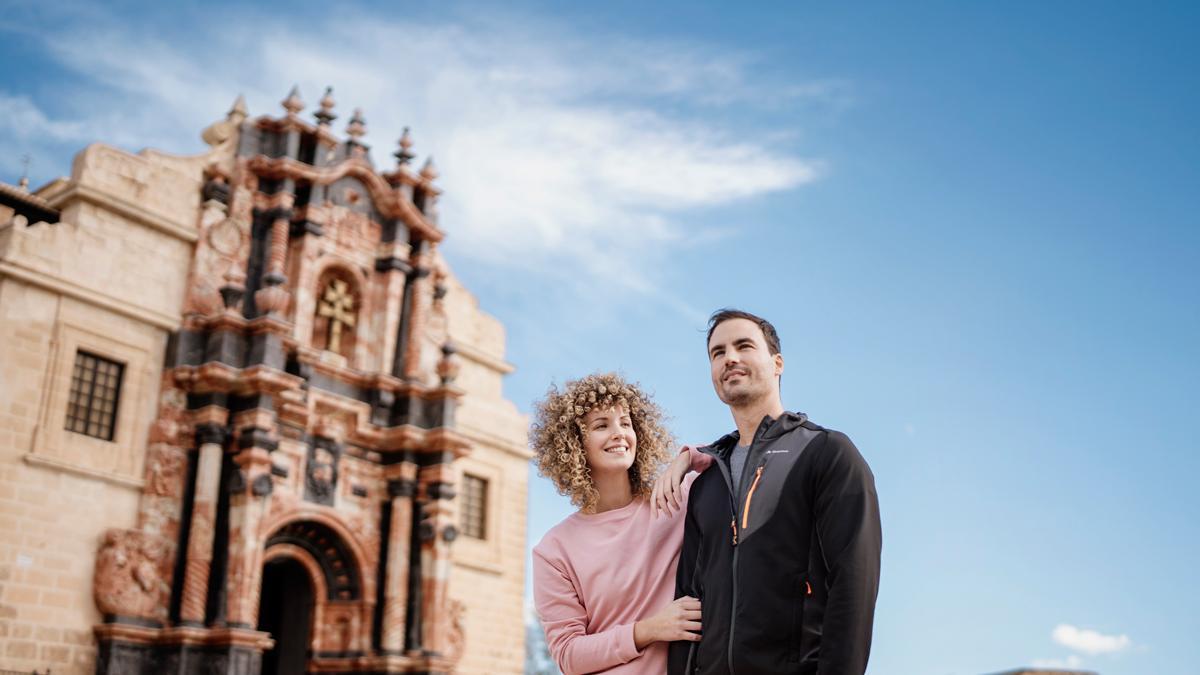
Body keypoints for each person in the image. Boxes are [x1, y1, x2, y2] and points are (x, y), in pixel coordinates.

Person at [659, 309, 882, 674]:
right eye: (717, 353)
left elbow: (853, 583)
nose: (729, 357)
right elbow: (689, 603)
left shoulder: (826, 453)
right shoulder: (705, 485)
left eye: (743, 346)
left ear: (777, 363)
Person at [531, 372, 712, 674]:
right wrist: (649, 629)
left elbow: (732, 456)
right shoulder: (553, 550)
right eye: (601, 425)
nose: (619, 433)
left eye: (626, 423)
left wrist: (686, 459)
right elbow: (568, 654)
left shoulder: (673, 499)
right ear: (574, 444)